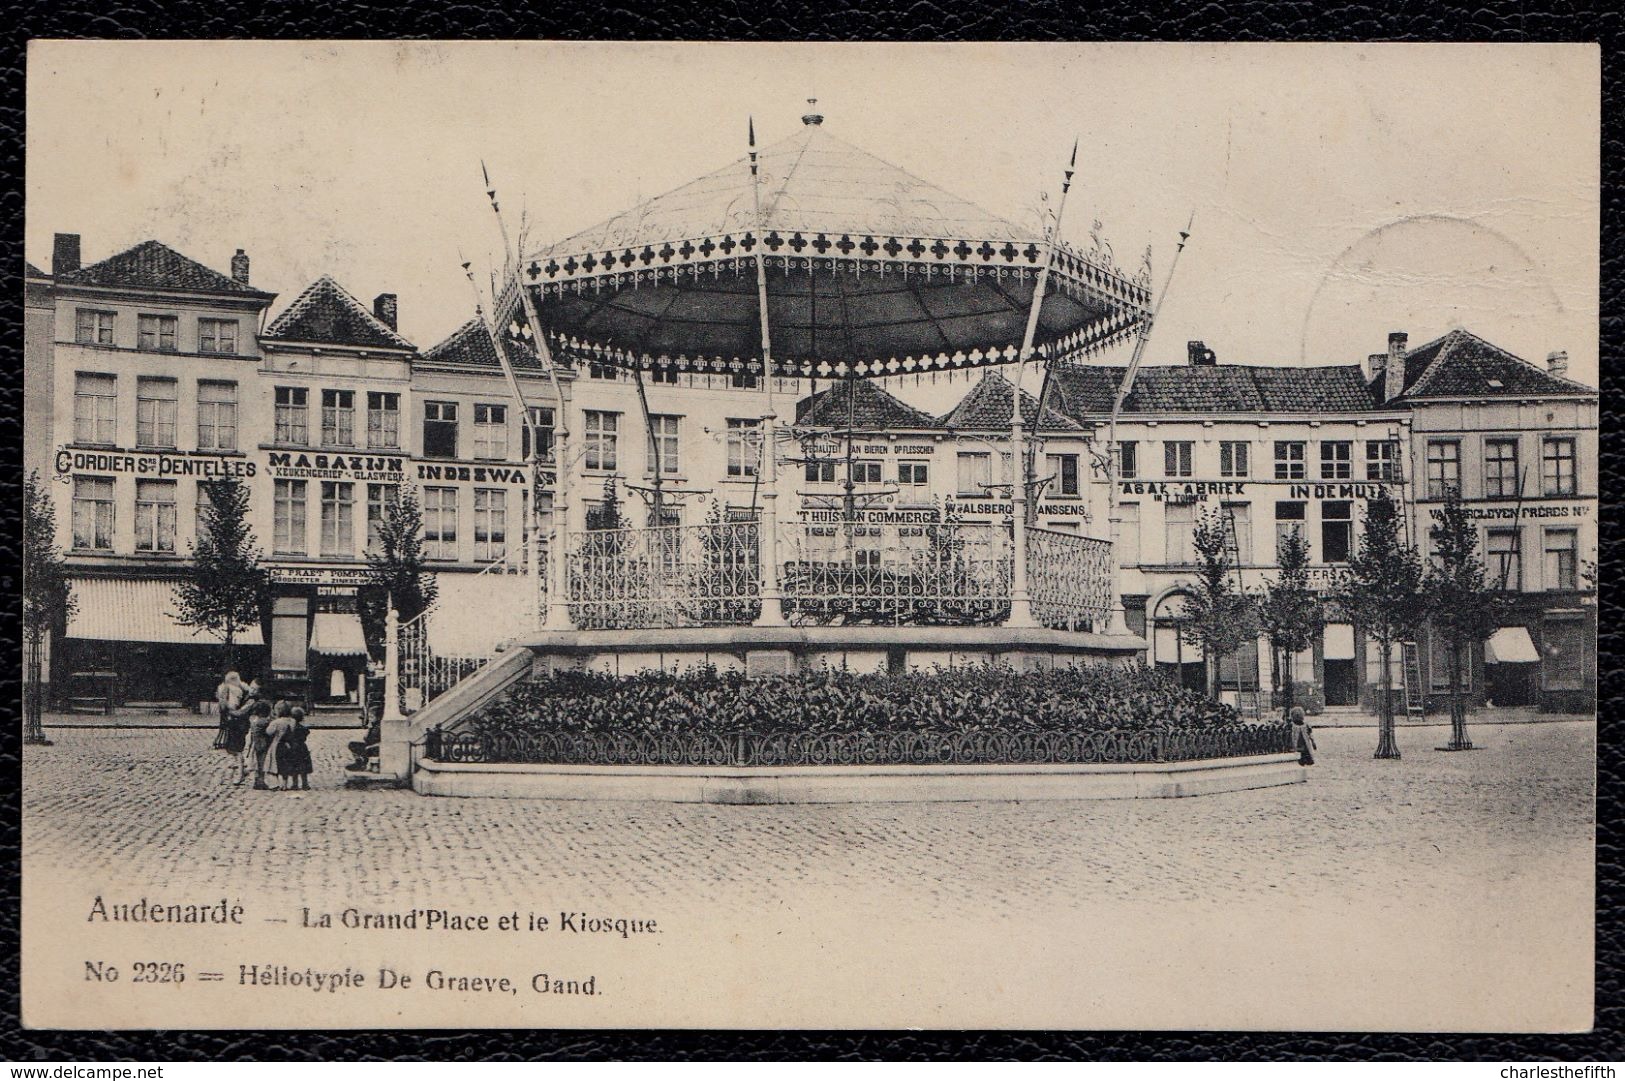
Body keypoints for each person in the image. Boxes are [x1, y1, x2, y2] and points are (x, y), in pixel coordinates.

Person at [276, 707, 313, 791]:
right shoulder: (303, 728)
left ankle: (295, 784)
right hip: (302, 748)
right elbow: (306, 734)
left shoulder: (290, 728)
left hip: (293, 748)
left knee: (294, 767)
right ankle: (305, 784)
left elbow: (285, 736)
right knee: (303, 767)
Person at [213, 671, 244, 750]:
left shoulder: (221, 687)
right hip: (231, 710)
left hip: (224, 711)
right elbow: (235, 703)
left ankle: (225, 741)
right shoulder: (236, 689)